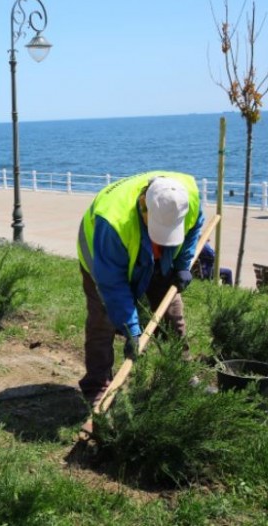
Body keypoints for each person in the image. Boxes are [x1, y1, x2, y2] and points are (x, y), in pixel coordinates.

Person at [76, 172, 204, 407]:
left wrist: (183, 265)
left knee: (172, 314)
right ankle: (97, 384)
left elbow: (194, 228)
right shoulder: (113, 222)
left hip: (154, 255)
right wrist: (132, 330)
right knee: (102, 318)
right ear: (144, 204)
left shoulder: (187, 197)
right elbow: (113, 286)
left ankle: (183, 376)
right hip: (100, 254)